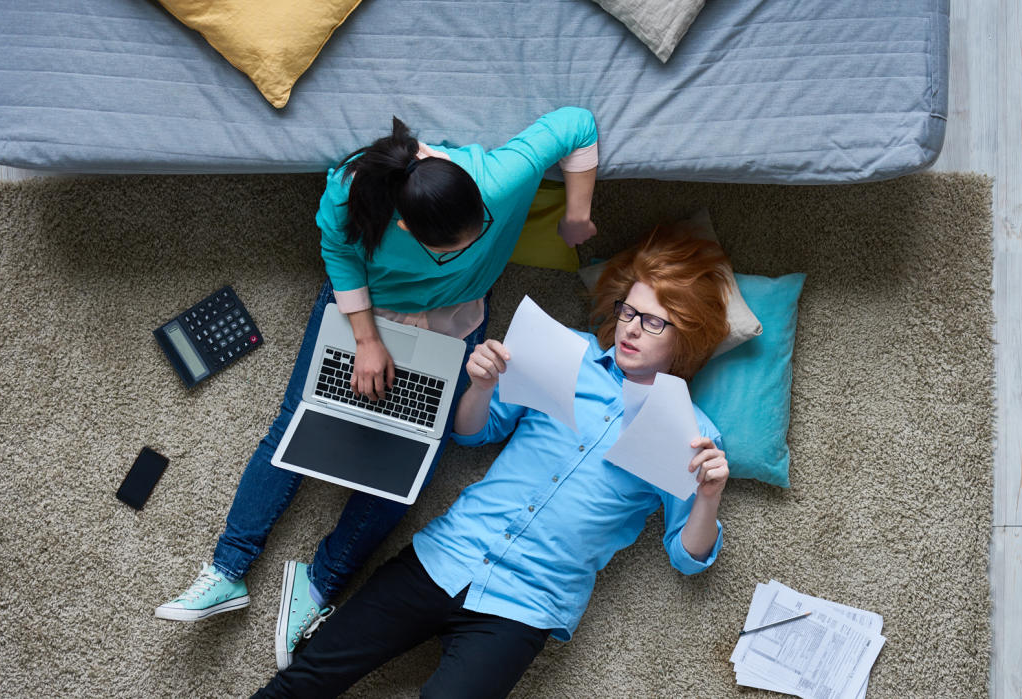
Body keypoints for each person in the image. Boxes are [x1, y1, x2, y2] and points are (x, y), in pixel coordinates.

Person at [155, 108, 600, 670]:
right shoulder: (350, 191)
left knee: (413, 460)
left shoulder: (496, 179)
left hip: (453, 321)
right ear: (408, 230)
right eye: (452, 249)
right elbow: (339, 255)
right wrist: (367, 341)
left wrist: (577, 215)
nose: (474, 242)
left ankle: (318, 585)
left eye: (480, 231)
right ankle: (227, 571)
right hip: (364, 310)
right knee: (299, 424)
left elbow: (578, 124)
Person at [251, 227, 734, 698]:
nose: (630, 327)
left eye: (653, 321)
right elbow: (471, 432)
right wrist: (481, 386)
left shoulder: (692, 432)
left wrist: (708, 497)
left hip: (527, 606)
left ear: (686, 334)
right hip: (446, 555)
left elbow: (688, 557)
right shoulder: (568, 352)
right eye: (628, 310)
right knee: (307, 677)